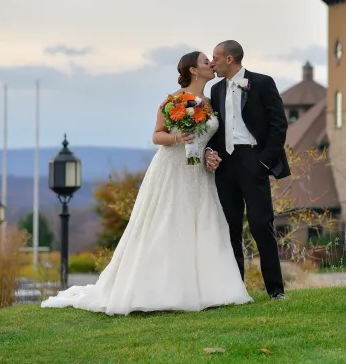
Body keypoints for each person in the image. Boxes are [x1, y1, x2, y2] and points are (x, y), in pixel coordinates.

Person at [41, 51, 253, 315]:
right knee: (167, 221)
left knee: (204, 222)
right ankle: (159, 289)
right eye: (204, 61)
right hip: (171, 169)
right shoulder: (173, 100)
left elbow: (207, 139)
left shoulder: (209, 103)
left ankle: (212, 290)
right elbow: (156, 136)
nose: (211, 64)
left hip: (199, 173)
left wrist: (208, 152)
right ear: (193, 70)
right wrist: (180, 139)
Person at [207, 40, 289, 300]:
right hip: (225, 166)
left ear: (229, 59)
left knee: (260, 224)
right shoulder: (215, 89)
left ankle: (275, 290)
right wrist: (211, 153)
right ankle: (236, 290)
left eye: (215, 58)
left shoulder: (262, 83)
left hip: (253, 160)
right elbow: (214, 128)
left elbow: (279, 125)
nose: (212, 63)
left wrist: (263, 162)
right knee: (230, 227)